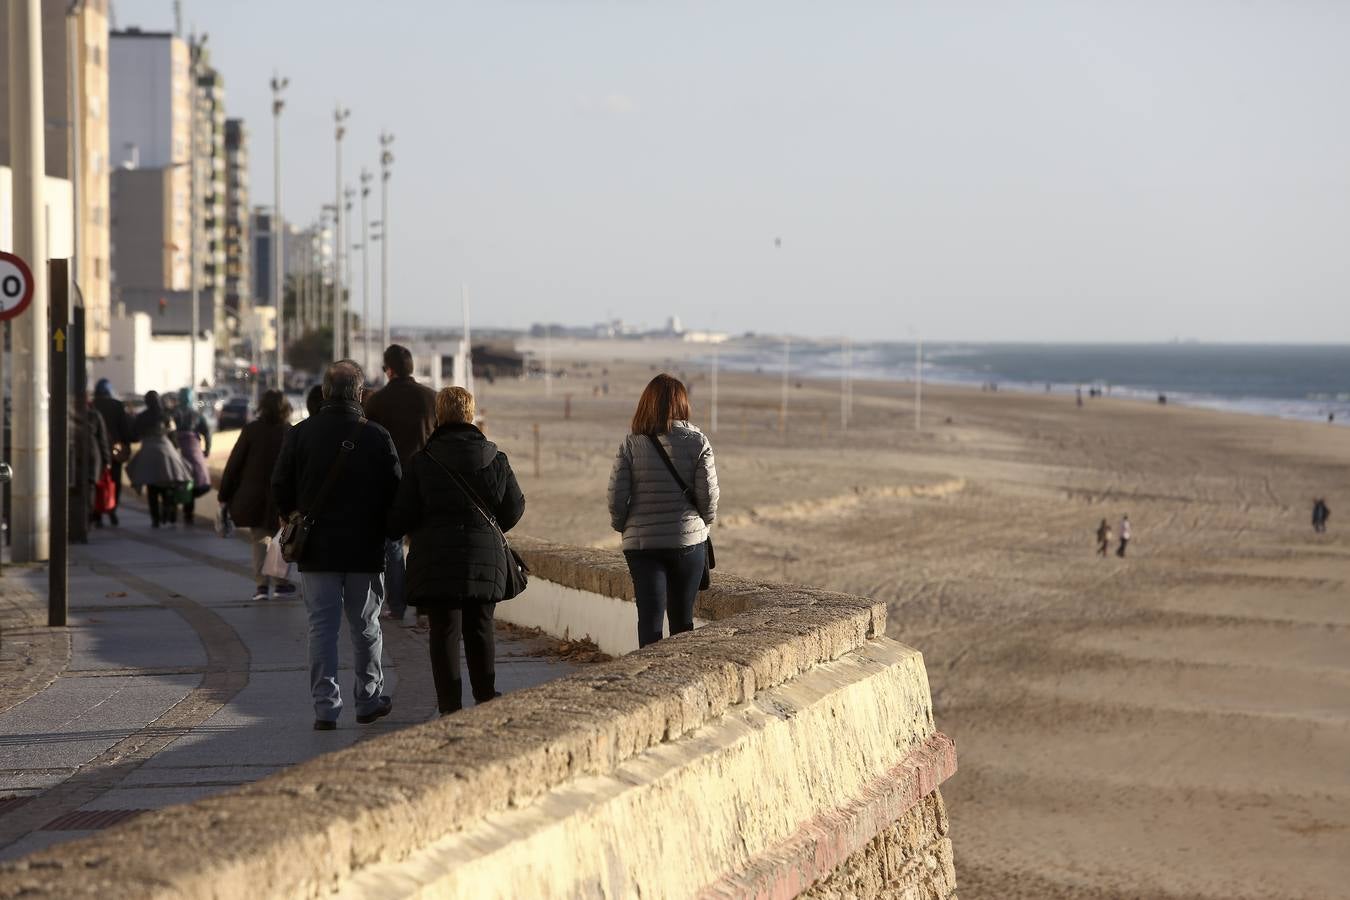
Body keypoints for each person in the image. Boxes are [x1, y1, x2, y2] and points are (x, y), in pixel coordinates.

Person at [272, 360, 401, 730]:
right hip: (364, 549)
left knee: (321, 629)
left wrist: (293, 514)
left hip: (317, 551)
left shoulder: (299, 434)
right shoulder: (377, 436)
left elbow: (279, 485)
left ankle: (325, 708)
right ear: (359, 394)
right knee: (365, 627)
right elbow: (396, 491)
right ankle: (368, 700)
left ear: (325, 393)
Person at [387, 386, 525, 715]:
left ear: (440, 416)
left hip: (436, 560)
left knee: (444, 631)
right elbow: (515, 507)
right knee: (480, 627)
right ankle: (485, 695)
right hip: (484, 557)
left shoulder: (422, 461)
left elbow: (401, 516)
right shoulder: (495, 458)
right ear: (471, 414)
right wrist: (487, 531)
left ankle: (450, 706)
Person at [607, 374, 719, 648]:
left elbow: (616, 496)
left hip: (642, 547)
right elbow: (710, 496)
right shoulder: (698, 441)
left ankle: (651, 683)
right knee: (682, 622)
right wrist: (701, 523)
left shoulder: (631, 444)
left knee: (649, 620)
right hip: (688, 542)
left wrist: (626, 526)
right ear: (682, 404)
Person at [363, 344, 438, 623]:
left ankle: (396, 606)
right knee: (422, 544)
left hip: (389, 484)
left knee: (392, 546)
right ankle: (424, 608)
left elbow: (367, 443)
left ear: (389, 370)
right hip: (426, 482)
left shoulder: (377, 402)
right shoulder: (432, 398)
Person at [219, 390, 296, 600]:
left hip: (253, 496)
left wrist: (224, 495)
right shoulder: (289, 431)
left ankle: (262, 586)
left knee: (260, 539)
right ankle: (281, 583)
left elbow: (234, 464)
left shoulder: (251, 430)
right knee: (281, 539)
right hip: (282, 495)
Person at [128, 391, 193, 527]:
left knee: (151, 487)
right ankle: (167, 510)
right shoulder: (166, 415)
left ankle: (155, 519)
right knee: (168, 484)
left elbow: (134, 435)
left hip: (147, 451)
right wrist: (175, 450)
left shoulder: (141, 416)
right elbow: (173, 435)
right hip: (166, 449)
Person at [93, 378, 134, 526]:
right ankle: (112, 510)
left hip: (97, 451)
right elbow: (125, 429)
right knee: (114, 482)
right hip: (114, 451)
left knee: (97, 482)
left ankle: (97, 514)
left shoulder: (92, 405)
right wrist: (127, 447)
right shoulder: (117, 406)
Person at [172, 388, 213, 526]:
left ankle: (172, 508)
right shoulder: (197, 415)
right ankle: (188, 512)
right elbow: (207, 432)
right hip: (193, 450)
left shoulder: (173, 413)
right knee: (197, 481)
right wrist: (207, 450)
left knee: (177, 481)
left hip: (175, 449)